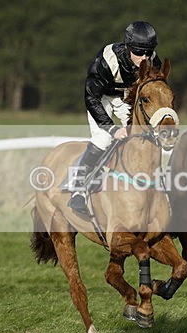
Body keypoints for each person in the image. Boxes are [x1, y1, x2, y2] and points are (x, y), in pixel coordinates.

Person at [68, 20, 162, 214]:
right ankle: (78, 191)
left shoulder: (153, 60)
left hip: (126, 97)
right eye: (139, 52)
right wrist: (112, 127)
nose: (144, 58)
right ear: (128, 47)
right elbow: (91, 97)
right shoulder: (106, 60)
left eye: (148, 52)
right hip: (100, 98)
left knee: (144, 136)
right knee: (104, 139)